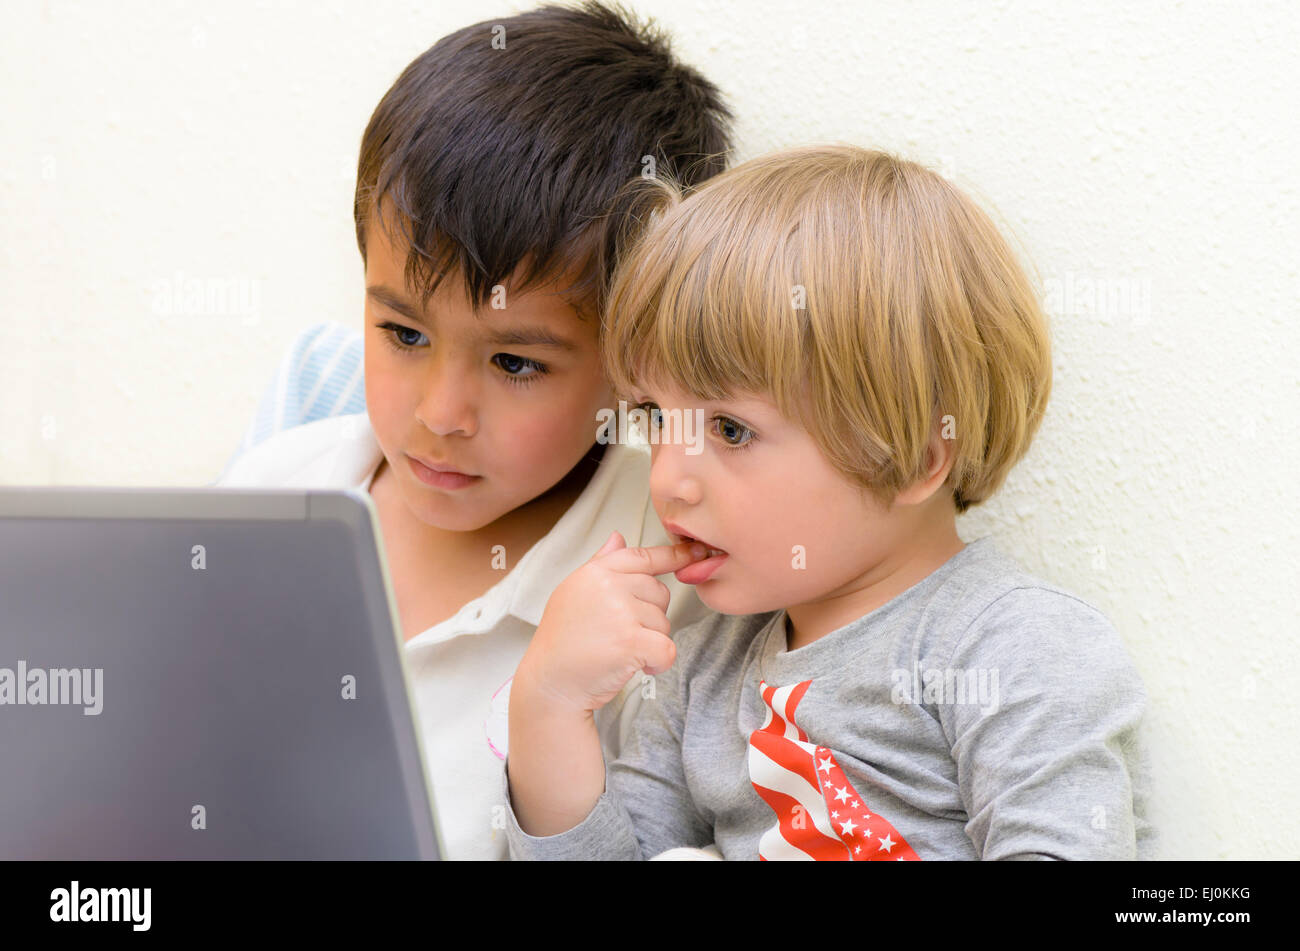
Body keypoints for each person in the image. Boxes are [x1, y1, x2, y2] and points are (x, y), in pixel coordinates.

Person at [502, 144, 1157, 860]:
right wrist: (547, 706)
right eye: (657, 416)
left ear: (913, 456)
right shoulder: (700, 672)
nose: (668, 480)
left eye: (730, 428)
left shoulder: (1016, 645)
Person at [216, 0, 733, 859]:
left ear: (637, 357)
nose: (439, 416)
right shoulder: (276, 486)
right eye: (404, 335)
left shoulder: (675, 587)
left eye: (516, 364)